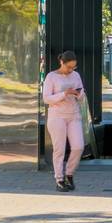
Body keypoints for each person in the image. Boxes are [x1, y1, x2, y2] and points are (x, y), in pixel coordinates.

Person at [42, 50, 85, 192]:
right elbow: (46, 98)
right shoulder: (51, 77)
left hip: (74, 114)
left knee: (78, 146)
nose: (71, 70)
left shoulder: (76, 75)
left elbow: (82, 95)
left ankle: (69, 173)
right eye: (69, 67)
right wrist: (64, 93)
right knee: (59, 149)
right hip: (57, 115)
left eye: (73, 67)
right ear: (62, 62)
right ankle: (59, 179)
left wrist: (78, 94)